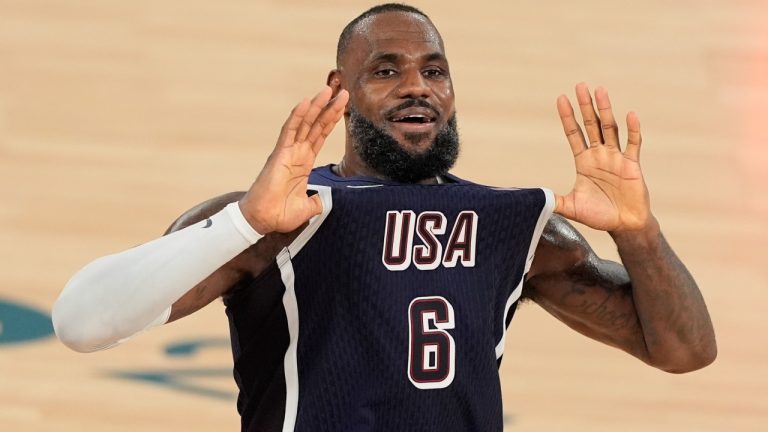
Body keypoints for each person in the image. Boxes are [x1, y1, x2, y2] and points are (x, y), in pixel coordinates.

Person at [52, 3, 716, 431]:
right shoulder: (274, 220)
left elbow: (685, 351)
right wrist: (246, 223)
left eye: (435, 71)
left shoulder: (514, 229)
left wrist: (638, 233)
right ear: (339, 92)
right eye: (386, 70)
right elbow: (81, 323)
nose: (417, 86)